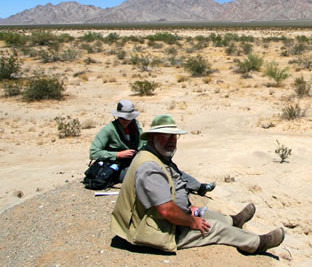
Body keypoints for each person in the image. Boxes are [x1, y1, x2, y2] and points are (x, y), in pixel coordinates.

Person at [111, 114, 285, 254]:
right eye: (165, 135)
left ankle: (233, 221)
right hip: (155, 229)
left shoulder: (155, 155)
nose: (171, 140)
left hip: (165, 217)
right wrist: (191, 222)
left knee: (205, 213)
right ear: (152, 138)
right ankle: (257, 243)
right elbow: (166, 210)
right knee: (214, 228)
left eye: (174, 136)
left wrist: (186, 207)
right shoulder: (149, 167)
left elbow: (172, 189)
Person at [90, 101, 216, 194]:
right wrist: (118, 155)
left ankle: (199, 187)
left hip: (136, 159)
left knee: (167, 167)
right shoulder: (108, 130)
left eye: (129, 117)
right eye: (124, 118)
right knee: (152, 175)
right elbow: (94, 153)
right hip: (118, 167)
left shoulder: (134, 125)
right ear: (118, 116)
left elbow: (141, 142)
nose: (127, 121)